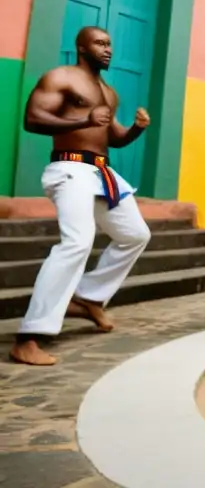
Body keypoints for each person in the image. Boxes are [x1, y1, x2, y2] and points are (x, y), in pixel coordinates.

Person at [9, 27, 152, 366]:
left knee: (135, 234)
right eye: (100, 43)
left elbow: (112, 136)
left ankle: (88, 297)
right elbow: (32, 119)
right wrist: (82, 119)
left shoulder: (107, 91)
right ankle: (29, 336)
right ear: (81, 46)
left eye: (110, 44)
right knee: (77, 242)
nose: (108, 50)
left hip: (102, 173)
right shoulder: (61, 77)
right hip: (70, 169)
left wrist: (135, 129)